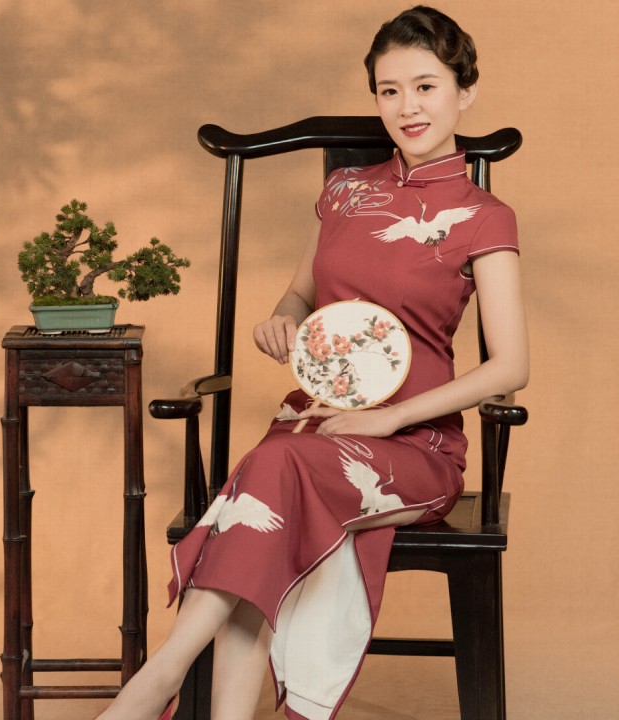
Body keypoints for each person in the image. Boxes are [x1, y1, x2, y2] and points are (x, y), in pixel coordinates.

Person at [95, 5, 528, 720]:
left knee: (272, 475)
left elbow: (509, 367)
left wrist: (387, 416)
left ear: (465, 91)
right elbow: (299, 294)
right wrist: (282, 321)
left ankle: (159, 678)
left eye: (425, 86)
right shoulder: (344, 191)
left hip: (414, 445)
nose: (408, 107)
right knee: (273, 490)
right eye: (390, 90)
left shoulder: (485, 215)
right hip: (315, 424)